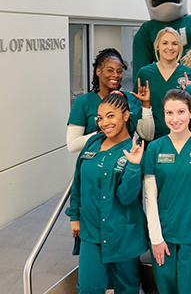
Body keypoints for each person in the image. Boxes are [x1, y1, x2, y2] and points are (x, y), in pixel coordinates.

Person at [66, 92, 150, 293]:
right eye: (100, 118)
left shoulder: (134, 151)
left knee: (126, 288)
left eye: (111, 116)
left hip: (123, 233)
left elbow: (127, 197)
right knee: (88, 288)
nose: (104, 123)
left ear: (126, 115)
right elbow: (78, 181)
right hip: (91, 231)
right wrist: (74, 216)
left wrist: (132, 167)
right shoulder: (92, 144)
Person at [142, 89, 191, 294]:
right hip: (164, 232)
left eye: (181, 112)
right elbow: (150, 197)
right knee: (166, 287)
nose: (175, 119)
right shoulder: (155, 148)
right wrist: (155, 238)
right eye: (169, 113)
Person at [67, 48, 154, 153]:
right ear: (98, 71)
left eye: (119, 71)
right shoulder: (83, 102)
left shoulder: (130, 99)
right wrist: (104, 131)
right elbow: (72, 145)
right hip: (95, 161)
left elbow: (147, 135)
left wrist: (146, 106)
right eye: (110, 70)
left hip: (126, 159)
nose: (115, 75)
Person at [135, 28, 191, 140]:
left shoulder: (189, 74)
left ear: (179, 47)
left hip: (182, 137)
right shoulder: (145, 73)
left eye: (174, 43)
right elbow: (137, 107)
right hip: (152, 139)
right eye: (165, 43)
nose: (170, 47)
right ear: (158, 46)